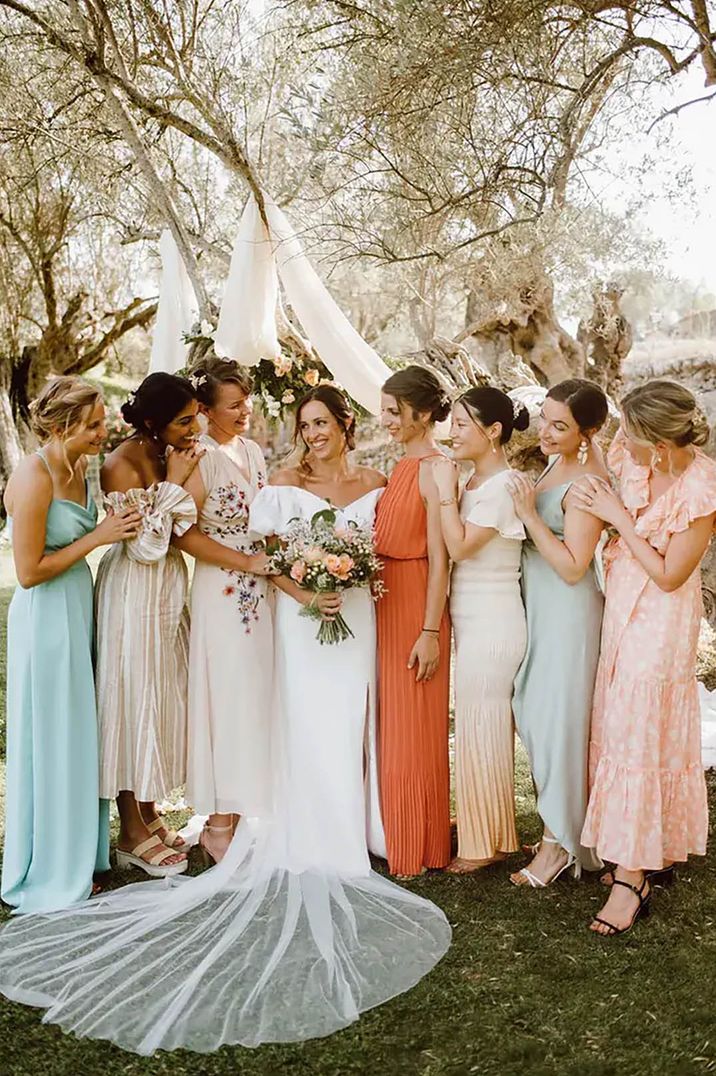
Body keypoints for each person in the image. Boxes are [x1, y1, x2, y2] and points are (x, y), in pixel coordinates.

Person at [0, 384, 451, 1054]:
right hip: (204, 593)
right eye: (209, 410)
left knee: (314, 718)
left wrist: (325, 577)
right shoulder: (148, 463)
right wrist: (285, 575)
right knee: (174, 705)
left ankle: (310, 821)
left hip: (309, 604)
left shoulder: (329, 472)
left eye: (321, 421)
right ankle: (188, 820)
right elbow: (171, 536)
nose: (234, 416)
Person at [574, 381, 716, 936]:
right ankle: (646, 848)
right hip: (621, 605)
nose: (622, 442)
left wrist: (617, 516)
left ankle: (632, 879)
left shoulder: (702, 488)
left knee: (642, 729)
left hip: (662, 617)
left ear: (659, 442)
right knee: (624, 726)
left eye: (631, 433)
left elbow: (669, 574)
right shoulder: (629, 458)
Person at [1, 376, 141, 913]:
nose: (104, 433)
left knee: (81, 734)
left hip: (79, 608)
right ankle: (51, 865)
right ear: (62, 427)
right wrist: (99, 537)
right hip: (46, 620)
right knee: (54, 738)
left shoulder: (80, 468)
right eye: (94, 425)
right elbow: (29, 572)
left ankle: (81, 853)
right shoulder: (33, 477)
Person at [95, 373, 201, 878]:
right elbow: (144, 545)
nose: (194, 426)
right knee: (132, 699)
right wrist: (174, 483)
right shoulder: (121, 464)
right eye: (184, 420)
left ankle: (151, 812)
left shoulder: (168, 451)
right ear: (154, 421)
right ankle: (129, 831)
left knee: (160, 698)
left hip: (165, 595)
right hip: (133, 595)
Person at [508, 379, 608, 887]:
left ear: (586, 432)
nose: (545, 431)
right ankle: (561, 821)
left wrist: (528, 515)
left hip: (569, 611)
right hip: (542, 606)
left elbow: (574, 566)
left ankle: (559, 848)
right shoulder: (557, 463)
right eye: (544, 418)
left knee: (558, 722)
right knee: (536, 711)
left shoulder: (588, 484)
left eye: (559, 425)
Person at [176, 356, 274, 864]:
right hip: (222, 589)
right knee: (228, 696)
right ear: (207, 411)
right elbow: (187, 533)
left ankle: (241, 812)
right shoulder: (200, 457)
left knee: (254, 695)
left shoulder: (253, 450)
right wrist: (246, 561)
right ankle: (217, 824)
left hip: (261, 590)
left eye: (246, 401)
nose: (245, 410)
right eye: (234, 405)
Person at [431, 387, 529, 873]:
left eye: (463, 424)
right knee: (477, 727)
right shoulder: (473, 482)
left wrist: (444, 493)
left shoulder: (506, 485)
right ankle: (492, 830)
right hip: (469, 620)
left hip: (494, 622)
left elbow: (462, 546)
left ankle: (481, 845)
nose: (453, 433)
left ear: (493, 431)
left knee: (482, 727)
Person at [375, 365, 452, 879]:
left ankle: (421, 845)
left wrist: (429, 631)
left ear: (421, 415)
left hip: (416, 607)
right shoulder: (400, 465)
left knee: (414, 729)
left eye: (392, 411)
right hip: (385, 603)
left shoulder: (434, 467)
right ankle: (397, 835)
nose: (384, 420)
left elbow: (442, 559)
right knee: (392, 727)